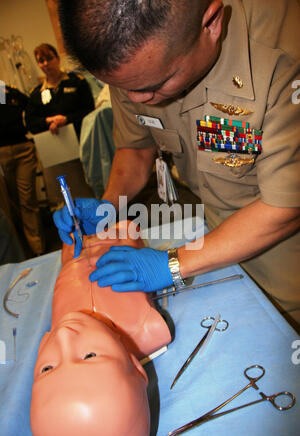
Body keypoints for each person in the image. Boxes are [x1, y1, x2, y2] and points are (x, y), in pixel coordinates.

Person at [54, 0, 300, 332]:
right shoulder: (132, 57)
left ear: (210, 23)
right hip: (219, 247)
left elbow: (286, 205)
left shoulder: (283, 56)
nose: (135, 99)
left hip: (288, 269)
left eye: (152, 86)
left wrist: (173, 264)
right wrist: (109, 205)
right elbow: (137, 146)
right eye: (124, 88)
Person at [30, 221, 171, 436]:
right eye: (90, 355)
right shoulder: (145, 329)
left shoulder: (56, 331)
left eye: (47, 368)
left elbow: (70, 251)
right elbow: (128, 229)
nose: (64, 335)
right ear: (137, 368)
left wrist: (83, 230)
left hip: (77, 254)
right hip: (119, 244)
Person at [0, 85, 45, 256]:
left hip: (22, 149)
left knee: (28, 200)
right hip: (2, 153)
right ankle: (20, 254)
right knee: (9, 207)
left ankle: (38, 250)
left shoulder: (9, 92)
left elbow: (31, 105)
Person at [26, 43, 94, 139]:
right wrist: (48, 121)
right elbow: (31, 123)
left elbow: (89, 110)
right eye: (41, 61)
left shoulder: (76, 81)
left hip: (82, 136)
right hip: (55, 144)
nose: (46, 63)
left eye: (49, 58)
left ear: (58, 59)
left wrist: (67, 119)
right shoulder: (36, 94)